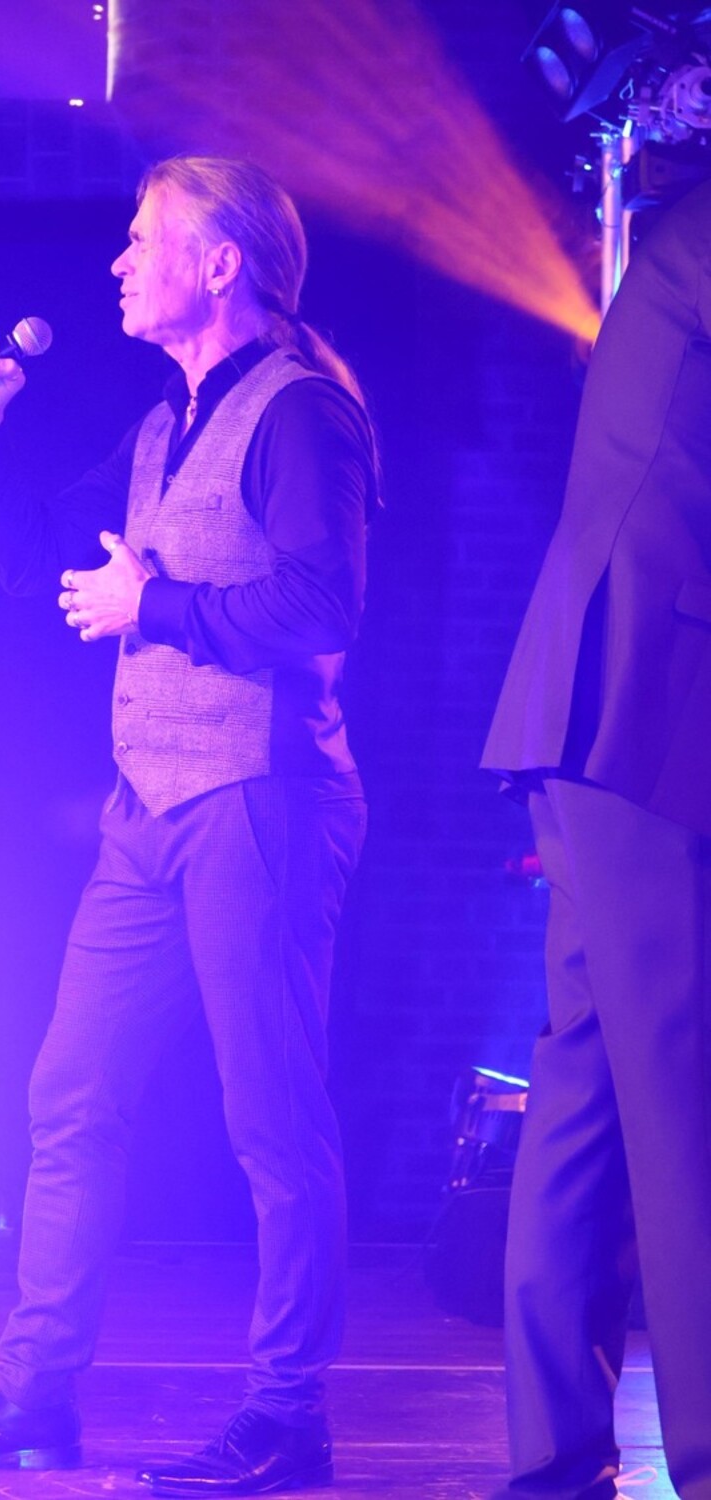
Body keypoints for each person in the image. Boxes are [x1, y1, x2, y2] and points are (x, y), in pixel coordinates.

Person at [0, 155, 377, 1493]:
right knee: (71, 1093)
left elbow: (323, 606)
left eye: (145, 239)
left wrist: (160, 608)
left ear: (222, 262)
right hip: (146, 809)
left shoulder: (301, 412)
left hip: (260, 798)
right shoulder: (160, 427)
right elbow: (34, 562)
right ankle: (35, 1396)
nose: (119, 262)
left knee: (273, 1119)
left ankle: (288, 1415)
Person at [482, 173, 711, 1499]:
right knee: (682, 1093)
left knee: (589, 1089)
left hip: (605, 706)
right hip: (647, 709)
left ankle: (555, 1453)